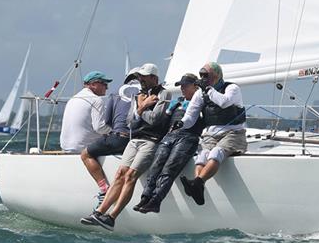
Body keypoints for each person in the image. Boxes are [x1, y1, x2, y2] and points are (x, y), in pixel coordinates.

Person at [80, 63, 170, 231]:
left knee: (130, 176)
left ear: (154, 78)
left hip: (151, 141)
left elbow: (155, 119)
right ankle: (99, 213)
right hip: (134, 139)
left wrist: (141, 110)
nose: (141, 80)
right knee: (120, 174)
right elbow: (131, 121)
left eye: (144, 77)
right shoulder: (140, 95)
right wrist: (142, 107)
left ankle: (112, 217)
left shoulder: (164, 93)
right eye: (139, 78)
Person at [133, 73, 205, 213]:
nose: (182, 88)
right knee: (156, 166)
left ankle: (156, 200)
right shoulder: (176, 102)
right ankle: (146, 197)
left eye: (185, 86)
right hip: (169, 136)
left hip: (188, 138)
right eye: (181, 86)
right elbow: (163, 122)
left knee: (168, 170)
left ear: (195, 87)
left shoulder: (202, 103)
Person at [180, 62, 247, 206]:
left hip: (233, 133)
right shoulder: (200, 93)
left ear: (217, 75)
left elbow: (224, 102)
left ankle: (198, 182)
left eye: (207, 75)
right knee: (203, 155)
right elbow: (190, 117)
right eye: (201, 75)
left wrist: (208, 89)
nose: (203, 78)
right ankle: (197, 188)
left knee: (216, 152)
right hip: (211, 134)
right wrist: (181, 123)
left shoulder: (232, 88)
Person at [79, 69, 141, 207]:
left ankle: (104, 191)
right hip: (134, 140)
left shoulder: (115, 95)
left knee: (85, 154)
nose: (107, 87)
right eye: (104, 84)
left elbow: (107, 122)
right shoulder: (146, 94)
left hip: (118, 138)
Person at [60, 71, 112, 153]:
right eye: (104, 84)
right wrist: (114, 129)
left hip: (66, 147)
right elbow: (100, 128)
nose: (107, 88)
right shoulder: (96, 100)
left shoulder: (73, 98)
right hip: (83, 148)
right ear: (94, 84)